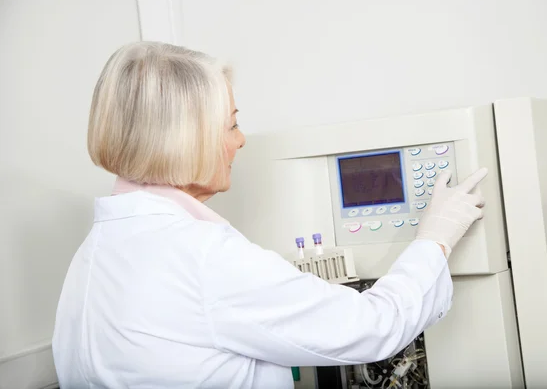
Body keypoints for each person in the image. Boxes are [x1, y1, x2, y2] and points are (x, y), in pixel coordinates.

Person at [52, 41, 488, 389]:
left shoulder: (92, 257)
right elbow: (372, 327)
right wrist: (435, 239)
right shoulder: (203, 257)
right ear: (188, 140)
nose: (240, 141)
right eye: (231, 125)